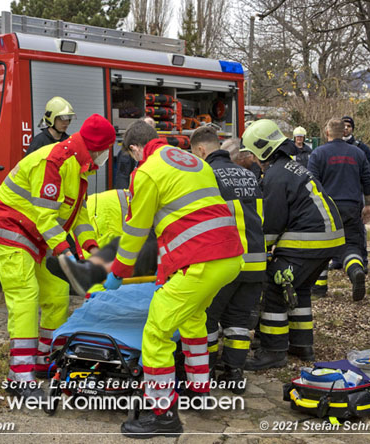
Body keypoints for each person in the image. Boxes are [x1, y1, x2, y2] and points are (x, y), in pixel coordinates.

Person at [104, 120, 244, 437]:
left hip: (201, 260)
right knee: (192, 319)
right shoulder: (195, 161)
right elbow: (191, 215)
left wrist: (118, 272)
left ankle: (162, 414)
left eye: (131, 155)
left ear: (135, 148)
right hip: (230, 256)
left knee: (156, 332)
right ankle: (198, 392)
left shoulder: (148, 171)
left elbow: (136, 232)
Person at [0, 114, 115, 397]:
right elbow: (45, 217)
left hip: (37, 235)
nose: (106, 156)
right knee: (25, 295)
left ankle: (45, 360)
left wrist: (91, 248)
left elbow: (76, 213)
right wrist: (66, 254)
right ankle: (20, 377)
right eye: (106, 150)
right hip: (12, 228)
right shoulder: (56, 163)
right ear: (97, 148)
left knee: (56, 293)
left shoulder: (79, 166)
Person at [240, 119, 344, 371]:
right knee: (300, 289)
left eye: (253, 153)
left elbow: (272, 223)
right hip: (329, 238)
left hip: (308, 240)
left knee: (275, 287)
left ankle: (273, 351)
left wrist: (259, 252)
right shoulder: (292, 167)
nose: (252, 159)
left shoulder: (275, 176)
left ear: (263, 150)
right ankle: (301, 344)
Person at [190, 127, 265, 393]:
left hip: (226, 261)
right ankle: (234, 373)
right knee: (239, 321)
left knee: (208, 319)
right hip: (256, 261)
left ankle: (205, 371)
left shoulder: (205, 175)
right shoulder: (247, 174)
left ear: (200, 150)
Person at [308, 118, 370, 301]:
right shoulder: (357, 153)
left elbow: (311, 182)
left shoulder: (318, 154)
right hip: (352, 206)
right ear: (344, 132)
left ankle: (319, 288)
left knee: (322, 245)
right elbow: (367, 178)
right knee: (351, 244)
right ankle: (355, 270)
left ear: (327, 132)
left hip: (326, 207)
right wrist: (368, 205)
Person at [113, 117, 156, 189]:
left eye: (152, 127)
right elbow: (122, 178)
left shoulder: (154, 150)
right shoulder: (128, 153)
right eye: (147, 126)